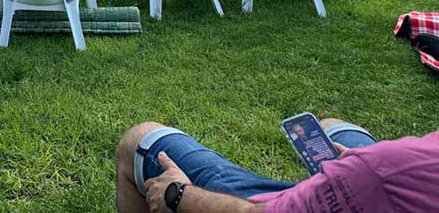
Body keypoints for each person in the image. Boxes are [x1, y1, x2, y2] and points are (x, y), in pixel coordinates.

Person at [115, 117, 439, 213]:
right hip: (378, 181)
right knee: (331, 126)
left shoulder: (386, 171)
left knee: (140, 139)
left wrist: (178, 194)